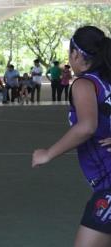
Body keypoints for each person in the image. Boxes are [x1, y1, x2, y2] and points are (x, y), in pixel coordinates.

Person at [32, 26, 111, 247]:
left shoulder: (85, 83)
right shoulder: (106, 82)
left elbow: (87, 127)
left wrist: (48, 154)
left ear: (76, 54)